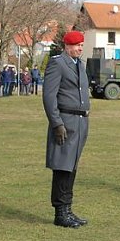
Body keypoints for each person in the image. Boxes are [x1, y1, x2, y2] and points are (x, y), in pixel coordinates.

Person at [43, 31, 90, 228]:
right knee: (62, 167)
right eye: (77, 45)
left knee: (72, 166)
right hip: (65, 121)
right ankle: (60, 212)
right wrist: (57, 123)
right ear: (67, 46)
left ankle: (68, 208)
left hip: (79, 122)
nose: (80, 48)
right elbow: (49, 96)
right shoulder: (58, 63)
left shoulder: (79, 64)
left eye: (81, 45)